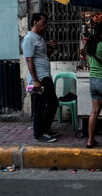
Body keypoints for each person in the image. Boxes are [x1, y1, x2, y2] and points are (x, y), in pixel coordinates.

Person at [21, 13, 59, 143]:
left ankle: (45, 129)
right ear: (35, 22)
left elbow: (44, 55)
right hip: (39, 79)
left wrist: (52, 47)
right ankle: (39, 134)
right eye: (43, 22)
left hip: (45, 76)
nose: (46, 25)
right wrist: (36, 80)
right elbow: (29, 60)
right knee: (39, 106)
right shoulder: (29, 39)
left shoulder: (39, 38)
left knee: (53, 102)